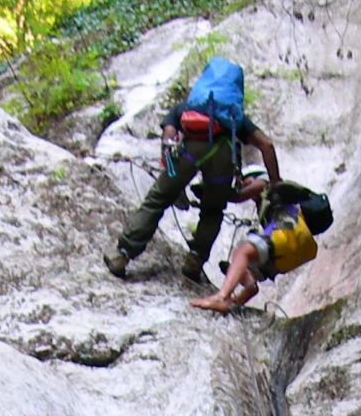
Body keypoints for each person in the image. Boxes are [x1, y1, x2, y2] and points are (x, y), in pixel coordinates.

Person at [104, 57, 281, 287]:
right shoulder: (235, 117)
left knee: (157, 200)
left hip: (189, 151)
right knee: (213, 209)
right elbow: (266, 145)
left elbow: (169, 131)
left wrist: (169, 168)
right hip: (223, 157)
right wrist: (276, 183)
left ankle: (122, 256)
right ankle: (195, 261)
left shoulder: (189, 107)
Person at [190, 187, 327, 313]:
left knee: (242, 251)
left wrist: (214, 193)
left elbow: (247, 192)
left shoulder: (277, 196)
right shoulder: (307, 239)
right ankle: (242, 295)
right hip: (285, 259)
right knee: (245, 263)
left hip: (284, 239)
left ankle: (222, 297)